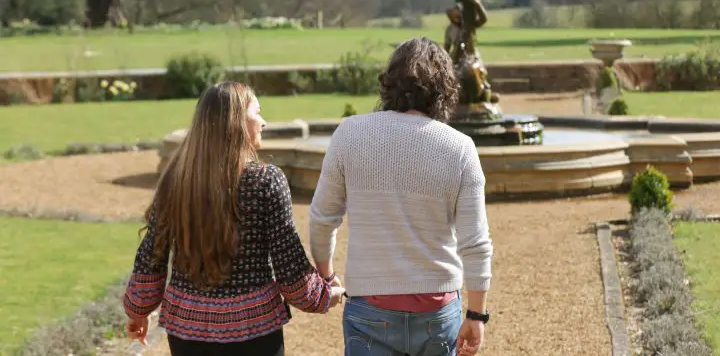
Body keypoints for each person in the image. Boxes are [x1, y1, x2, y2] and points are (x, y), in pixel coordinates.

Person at [122, 81, 344, 356]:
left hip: (187, 334)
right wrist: (324, 295)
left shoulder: (176, 180)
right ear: (236, 121)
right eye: (257, 113)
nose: (263, 122)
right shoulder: (266, 181)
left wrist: (138, 311)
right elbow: (290, 269)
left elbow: (151, 257)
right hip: (256, 334)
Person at [309, 37, 494, 356]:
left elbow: (322, 219)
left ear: (389, 82)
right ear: (445, 89)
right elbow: (475, 243)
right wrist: (476, 315)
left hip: (369, 305)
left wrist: (327, 274)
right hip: (436, 308)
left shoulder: (349, 134)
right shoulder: (460, 148)